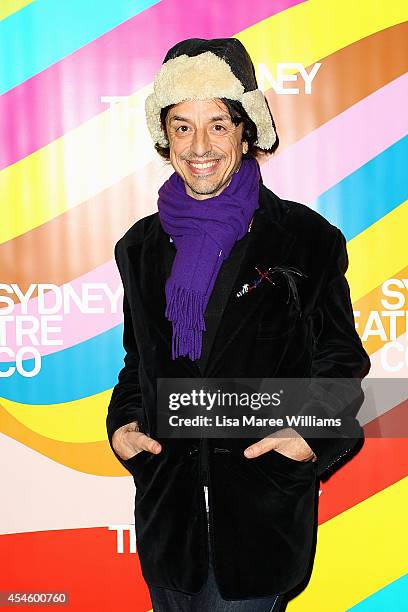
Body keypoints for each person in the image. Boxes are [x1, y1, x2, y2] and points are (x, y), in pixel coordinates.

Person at [106, 38, 371, 611]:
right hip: (169, 522)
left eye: (218, 124)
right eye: (182, 126)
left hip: (260, 516)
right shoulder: (140, 247)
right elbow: (139, 362)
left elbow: (340, 363)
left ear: (245, 130)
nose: (199, 146)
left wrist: (309, 437)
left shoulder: (305, 239)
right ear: (165, 135)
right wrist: (124, 425)